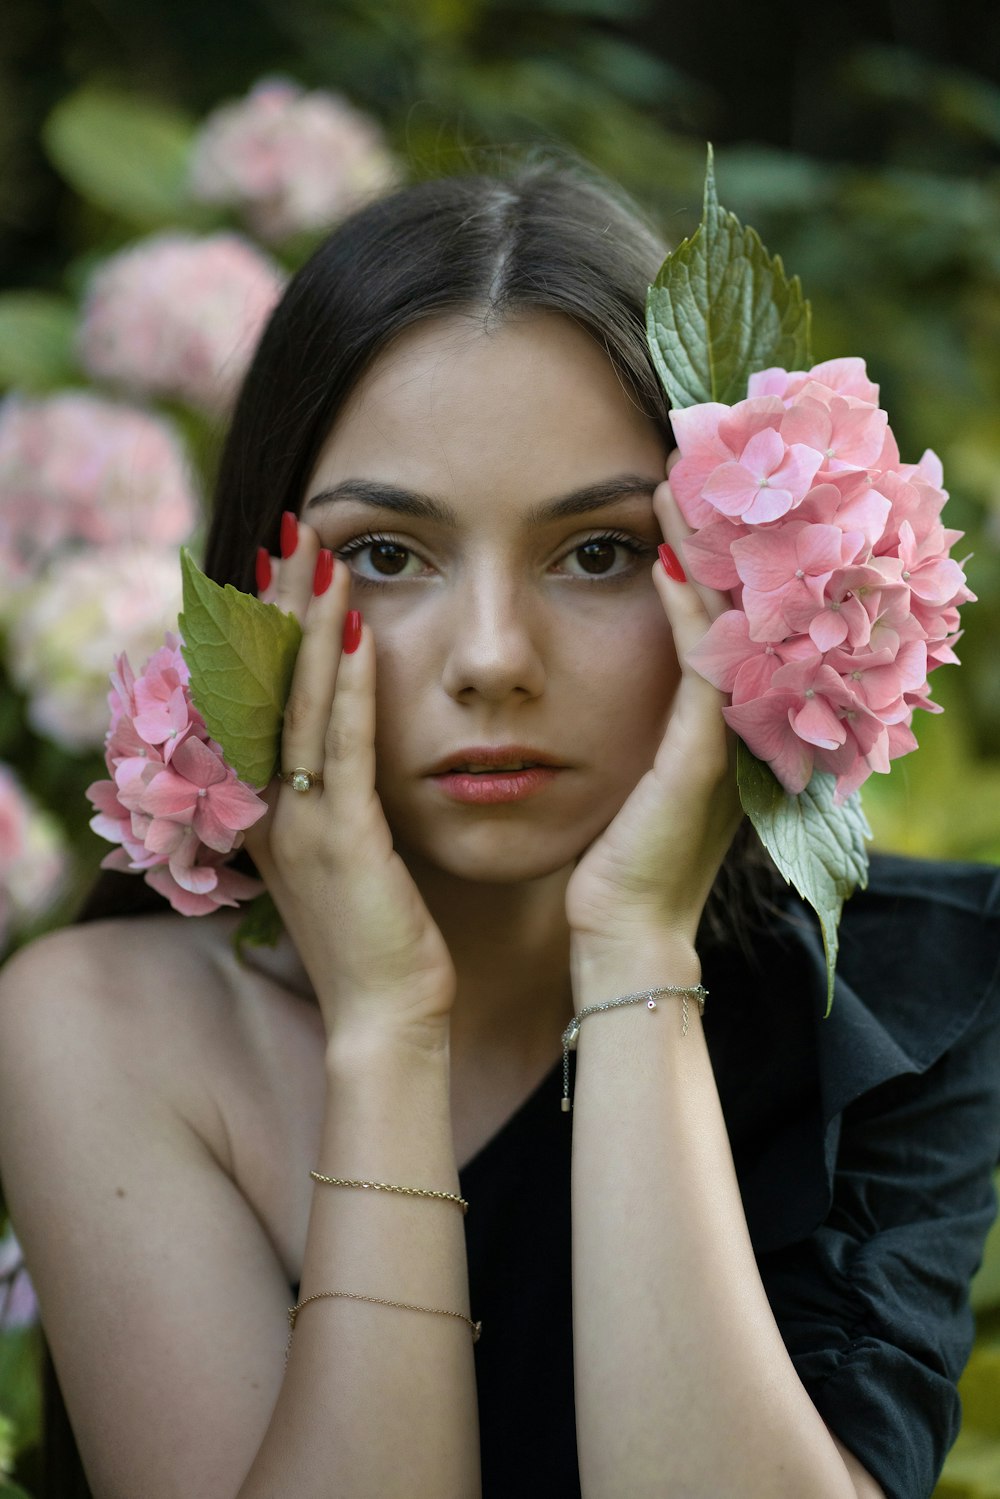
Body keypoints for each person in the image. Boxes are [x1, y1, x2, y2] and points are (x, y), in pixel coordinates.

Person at [0, 163, 998, 1499]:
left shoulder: (903, 999)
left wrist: (639, 950)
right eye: (390, 557)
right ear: (266, 588)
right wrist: (387, 1031)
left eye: (598, 552)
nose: (491, 661)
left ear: (745, 583)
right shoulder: (109, 1029)